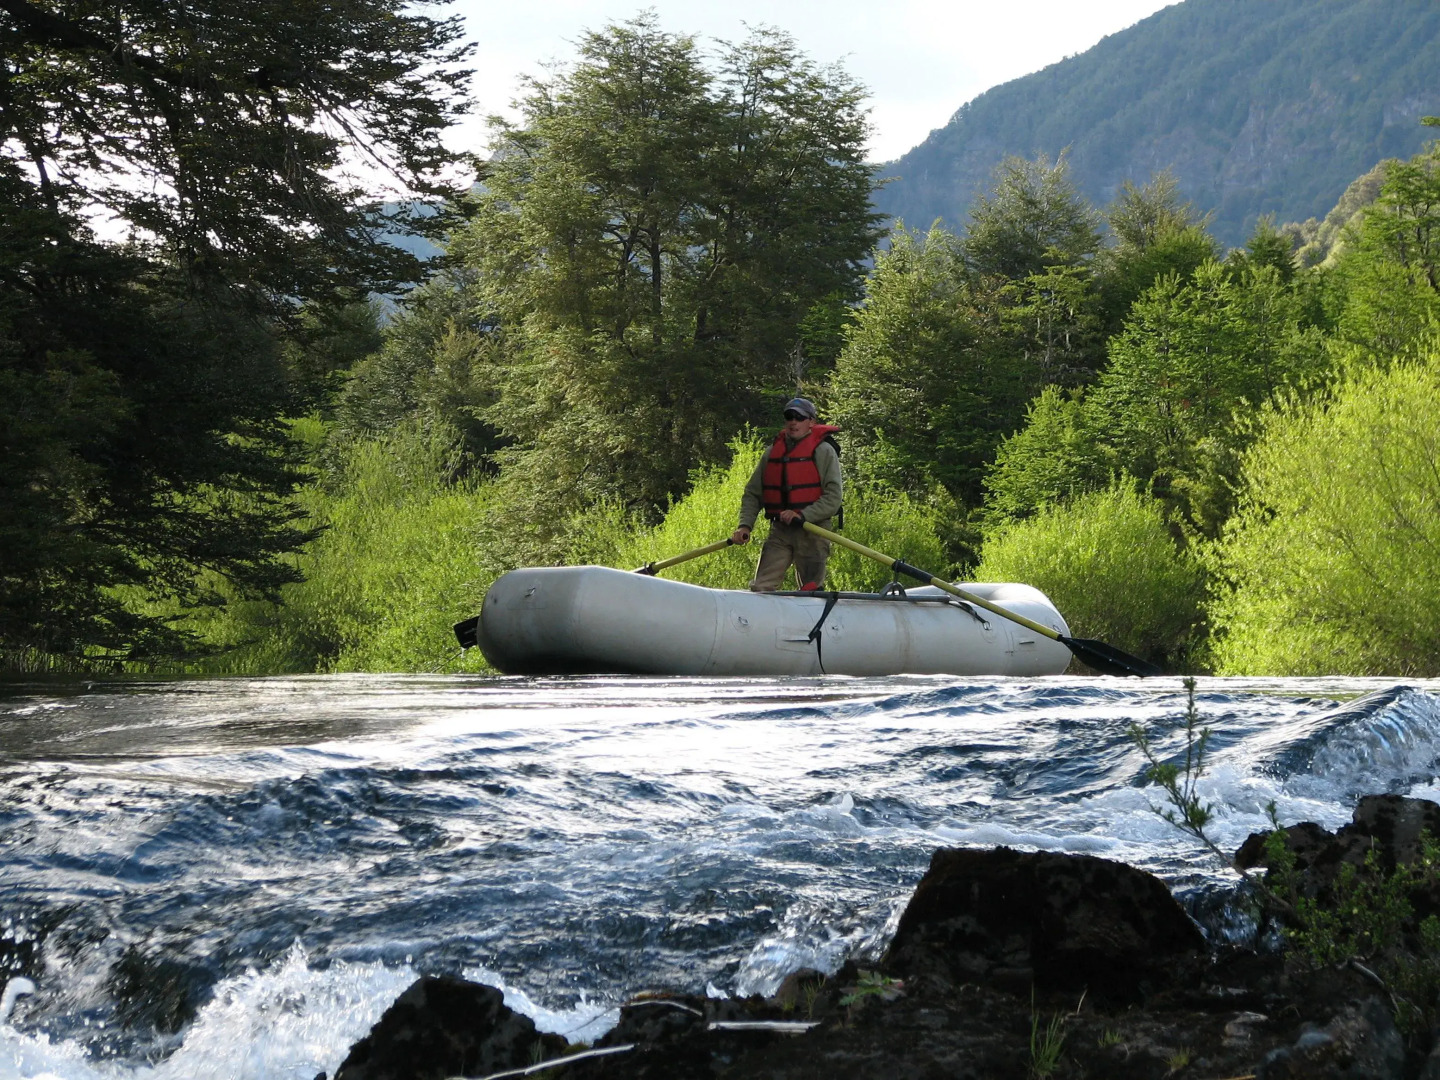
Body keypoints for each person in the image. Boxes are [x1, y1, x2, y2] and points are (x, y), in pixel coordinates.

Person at [731, 397, 843, 591]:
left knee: (811, 590)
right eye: (789, 416)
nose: (793, 422)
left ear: (811, 422)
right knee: (761, 586)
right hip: (781, 530)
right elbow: (753, 494)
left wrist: (802, 515)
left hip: (813, 530)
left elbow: (833, 498)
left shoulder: (824, 451)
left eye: (799, 417)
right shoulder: (772, 452)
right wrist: (745, 525)